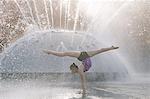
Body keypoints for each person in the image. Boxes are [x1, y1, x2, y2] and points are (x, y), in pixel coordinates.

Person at [43, 46, 119, 94]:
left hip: (82, 56)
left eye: (71, 70)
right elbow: (100, 50)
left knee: (63, 54)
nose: (71, 72)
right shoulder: (80, 69)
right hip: (85, 57)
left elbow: (83, 81)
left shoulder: (80, 70)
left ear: (74, 69)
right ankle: (111, 47)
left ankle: (49, 52)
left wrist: (84, 92)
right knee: (63, 54)